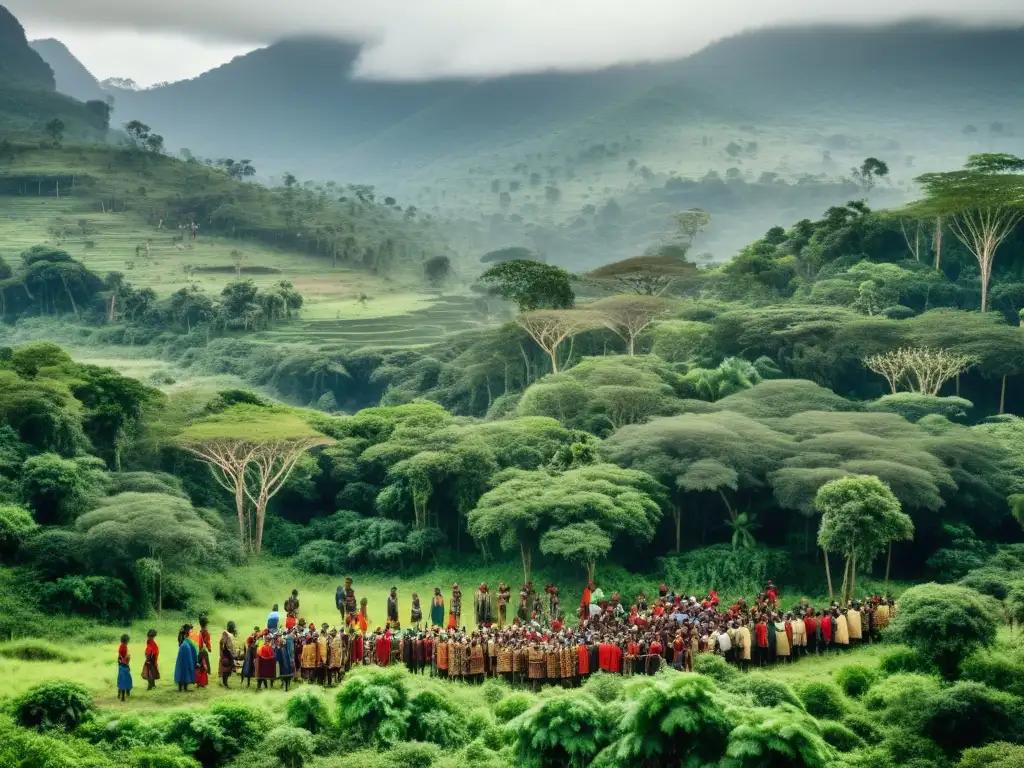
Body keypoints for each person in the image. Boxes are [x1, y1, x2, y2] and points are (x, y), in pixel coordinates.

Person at [174, 625, 198, 692]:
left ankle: (180, 688)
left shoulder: (182, 643)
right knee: (186, 669)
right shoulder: (187, 642)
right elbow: (194, 651)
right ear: (187, 634)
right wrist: (195, 662)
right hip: (187, 655)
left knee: (181, 669)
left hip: (181, 656)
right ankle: (185, 687)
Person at [219, 621, 238, 687]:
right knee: (226, 670)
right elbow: (230, 646)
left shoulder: (224, 633)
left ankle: (224, 683)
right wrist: (234, 655)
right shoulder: (228, 635)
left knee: (225, 670)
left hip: (223, 654)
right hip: (227, 654)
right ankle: (225, 683)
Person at [196, 617, 212, 688]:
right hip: (203, 651)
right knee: (204, 667)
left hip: (198, 651)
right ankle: (202, 683)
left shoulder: (199, 632)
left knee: (199, 666)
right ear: (206, 624)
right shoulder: (206, 632)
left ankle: (199, 682)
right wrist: (209, 648)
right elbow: (207, 642)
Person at [117, 634, 132, 702]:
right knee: (125, 680)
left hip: (121, 666)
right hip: (124, 665)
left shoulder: (121, 646)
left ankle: (119, 694)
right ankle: (123, 696)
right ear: (126, 641)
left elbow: (119, 658)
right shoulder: (124, 648)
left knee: (121, 680)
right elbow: (124, 658)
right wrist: (127, 664)